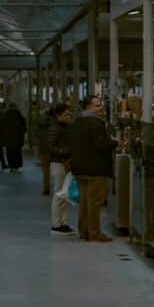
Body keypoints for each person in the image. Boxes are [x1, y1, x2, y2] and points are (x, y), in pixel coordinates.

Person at [68, 95, 114, 242]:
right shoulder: (95, 124)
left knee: (84, 202)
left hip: (80, 168)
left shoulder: (76, 123)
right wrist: (114, 143)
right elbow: (101, 146)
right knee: (94, 202)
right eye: (98, 105)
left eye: (101, 105)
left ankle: (84, 231)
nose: (101, 108)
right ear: (89, 107)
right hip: (96, 169)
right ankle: (94, 232)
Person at [48, 103, 73, 234]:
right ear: (58, 116)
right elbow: (51, 146)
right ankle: (56, 224)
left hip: (65, 162)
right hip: (59, 163)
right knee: (59, 193)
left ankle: (63, 222)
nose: (69, 117)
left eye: (69, 114)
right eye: (66, 115)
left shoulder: (67, 127)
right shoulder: (55, 128)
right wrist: (64, 152)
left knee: (64, 194)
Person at [1, 102, 27, 173]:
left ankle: (12, 166)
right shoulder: (18, 115)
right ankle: (16, 166)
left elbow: (2, 127)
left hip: (8, 138)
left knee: (9, 153)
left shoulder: (6, 114)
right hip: (17, 138)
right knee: (17, 152)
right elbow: (24, 126)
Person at [34, 106, 54, 194]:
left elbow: (36, 136)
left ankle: (46, 187)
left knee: (46, 171)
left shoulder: (40, 124)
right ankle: (61, 188)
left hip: (44, 149)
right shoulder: (55, 124)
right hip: (54, 150)